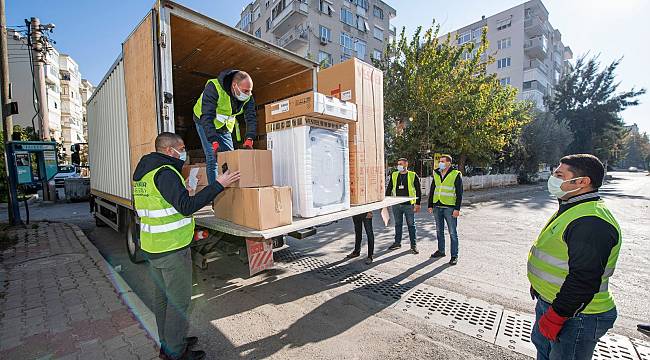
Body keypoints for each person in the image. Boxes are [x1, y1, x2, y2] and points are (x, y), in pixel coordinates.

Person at [133, 132, 240, 360]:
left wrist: (185, 193)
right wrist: (218, 185)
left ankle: (169, 341)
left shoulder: (146, 172)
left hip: (154, 246)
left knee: (163, 298)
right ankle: (176, 352)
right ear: (169, 149)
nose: (184, 153)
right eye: (181, 148)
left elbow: (164, 203)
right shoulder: (166, 172)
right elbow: (185, 207)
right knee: (178, 301)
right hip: (171, 248)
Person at [528, 154, 622, 360]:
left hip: (576, 316)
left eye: (559, 174)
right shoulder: (574, 208)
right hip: (554, 304)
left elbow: (584, 278)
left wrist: (556, 316)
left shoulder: (591, 221)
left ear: (582, 182)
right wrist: (540, 285)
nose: (553, 178)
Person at [193, 69, 257, 185]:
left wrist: (249, 138)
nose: (248, 94)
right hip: (205, 121)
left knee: (230, 157)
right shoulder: (214, 88)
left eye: (250, 91)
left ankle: (231, 192)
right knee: (213, 158)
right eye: (245, 91)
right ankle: (214, 195)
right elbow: (207, 116)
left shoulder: (248, 97)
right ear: (234, 86)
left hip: (225, 125)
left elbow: (251, 117)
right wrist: (214, 141)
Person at [428, 155, 463, 266]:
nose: (440, 163)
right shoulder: (436, 173)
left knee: (452, 232)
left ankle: (454, 256)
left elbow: (459, 193)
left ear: (449, 163)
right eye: (440, 161)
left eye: (442, 161)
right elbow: (432, 189)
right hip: (437, 206)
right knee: (439, 231)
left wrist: (457, 209)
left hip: (449, 207)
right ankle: (441, 251)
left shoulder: (456, 174)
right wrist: (430, 205)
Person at [386, 158, 422, 254]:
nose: (399, 166)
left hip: (409, 205)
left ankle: (413, 245)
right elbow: (389, 188)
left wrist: (418, 204)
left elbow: (418, 190)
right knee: (398, 224)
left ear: (406, 165)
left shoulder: (413, 175)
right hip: (396, 205)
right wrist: (386, 202)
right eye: (398, 164)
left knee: (411, 225)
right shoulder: (394, 175)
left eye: (401, 164)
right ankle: (397, 243)